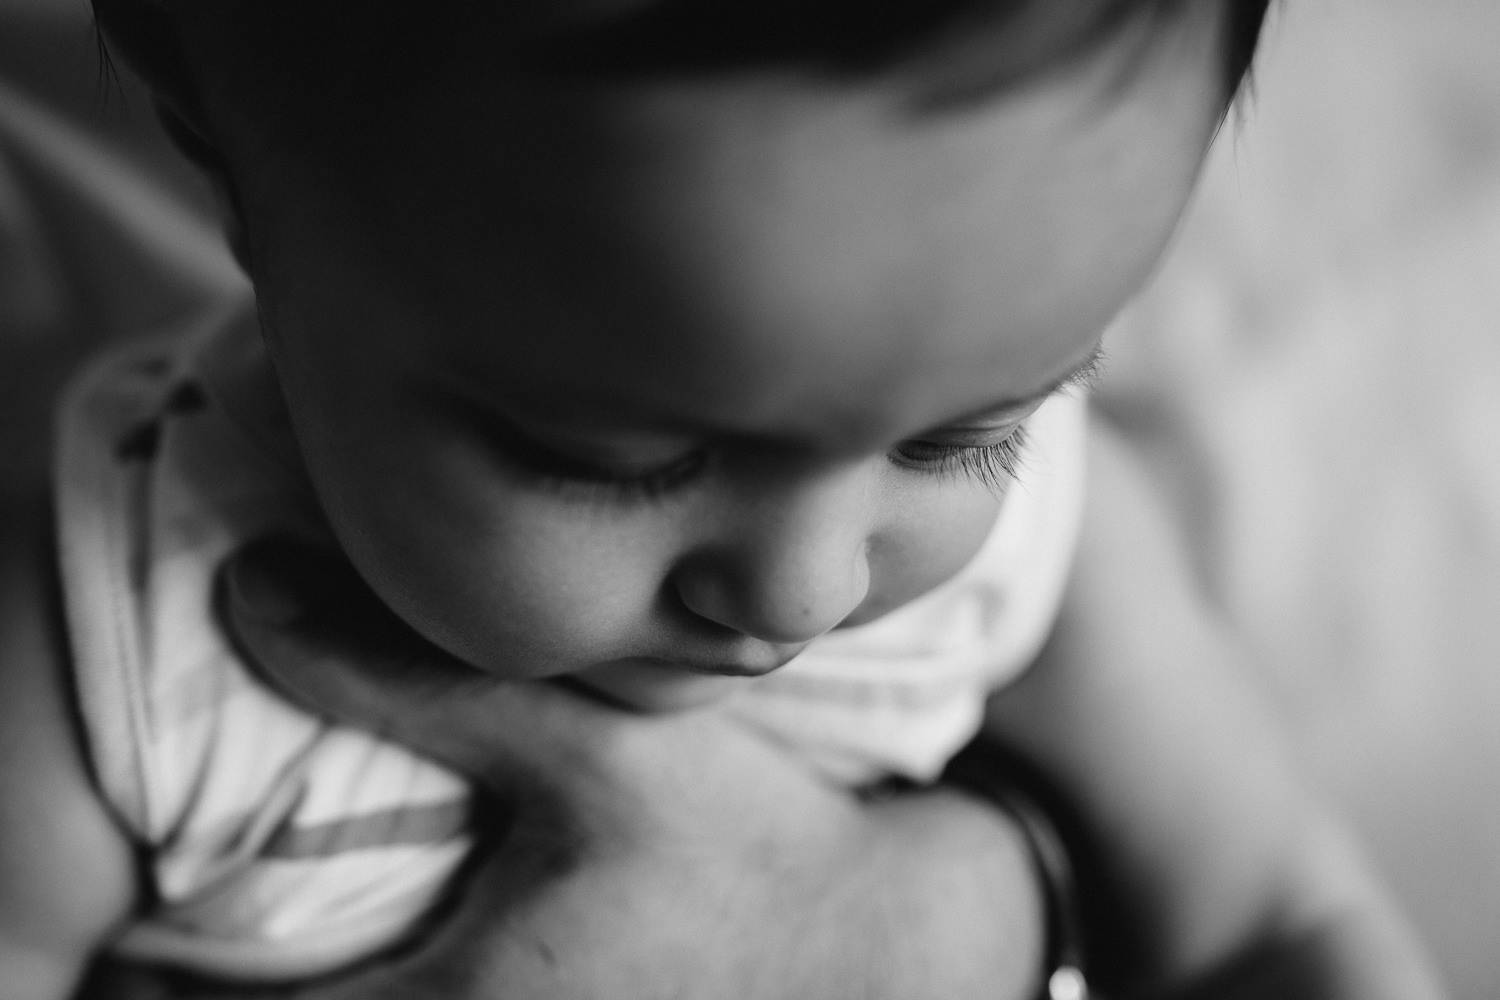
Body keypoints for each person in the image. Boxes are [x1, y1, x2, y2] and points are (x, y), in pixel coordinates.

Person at [0, 0, 1447, 997]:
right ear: (229, 170)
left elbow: (1279, 927)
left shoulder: (1061, 570)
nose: (800, 595)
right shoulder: (94, 653)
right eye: (613, 459)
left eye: (969, 436)